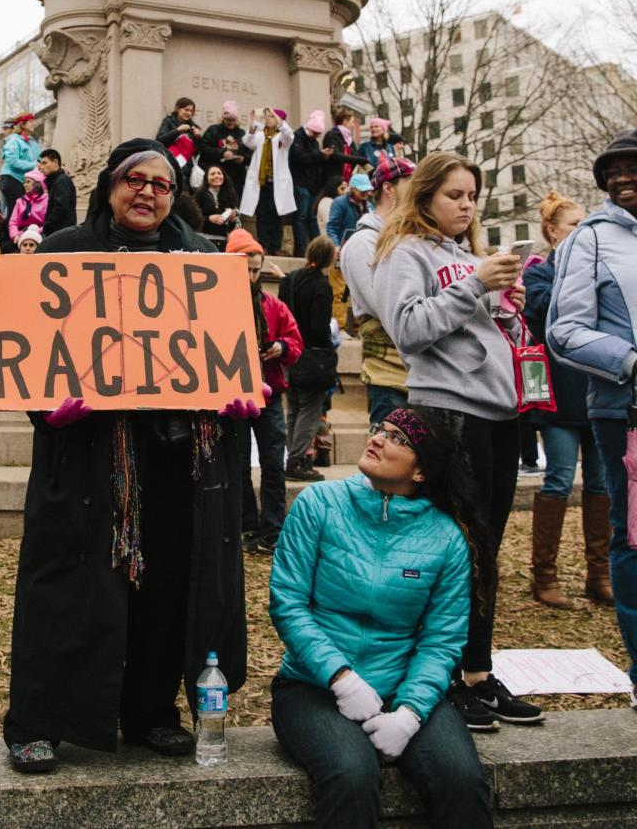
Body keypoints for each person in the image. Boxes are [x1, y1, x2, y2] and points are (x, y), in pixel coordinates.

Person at [3, 138, 247, 774]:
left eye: (161, 184)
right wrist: (44, 409)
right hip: (86, 455)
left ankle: (151, 712)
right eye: (134, 180)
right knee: (66, 583)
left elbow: (235, 348)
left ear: (174, 195)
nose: (147, 192)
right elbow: (28, 352)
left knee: (166, 586)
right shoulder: (60, 253)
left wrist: (240, 394)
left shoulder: (203, 259)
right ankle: (38, 720)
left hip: (174, 455)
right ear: (110, 186)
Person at [372, 151, 542, 731]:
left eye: (473, 195)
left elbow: (485, 334)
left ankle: (477, 673)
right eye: (455, 195)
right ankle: (442, 676)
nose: (467, 205)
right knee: (458, 551)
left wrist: (509, 311)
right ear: (424, 198)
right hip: (447, 411)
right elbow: (410, 331)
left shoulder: (472, 258)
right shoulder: (405, 254)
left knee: (486, 551)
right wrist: (472, 285)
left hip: (499, 412)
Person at [270, 407, 494, 829]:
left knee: (460, 779)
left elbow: (442, 640)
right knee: (351, 774)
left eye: (398, 439)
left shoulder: (446, 537)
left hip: (405, 686)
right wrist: (341, 678)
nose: (377, 439)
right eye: (381, 429)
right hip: (311, 687)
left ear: (422, 472)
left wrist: (410, 712)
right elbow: (288, 603)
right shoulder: (319, 504)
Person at [548, 131, 637, 702]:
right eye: (614, 171)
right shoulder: (592, 239)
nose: (622, 178)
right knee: (632, 539)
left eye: (634, 168)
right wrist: (630, 361)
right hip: (624, 411)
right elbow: (563, 329)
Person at [523, 191, 612, 609]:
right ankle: (545, 578)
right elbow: (544, 315)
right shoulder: (540, 273)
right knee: (559, 478)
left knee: (601, 482)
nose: (583, 232)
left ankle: (600, 575)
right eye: (574, 225)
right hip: (559, 394)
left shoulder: (599, 270)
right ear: (552, 231)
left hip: (599, 391)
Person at [226, 228, 303, 554]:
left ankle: (273, 530)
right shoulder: (218, 303)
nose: (253, 276)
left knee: (273, 464)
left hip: (269, 394)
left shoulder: (273, 304)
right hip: (235, 396)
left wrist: (281, 348)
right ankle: (246, 526)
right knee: (239, 464)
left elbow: (296, 341)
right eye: (247, 269)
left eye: (257, 270)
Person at [339, 158, 416, 426]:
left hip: (419, 372)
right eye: (410, 182)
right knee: (389, 459)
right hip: (388, 374)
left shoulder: (410, 237)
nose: (419, 189)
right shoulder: (363, 243)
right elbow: (380, 305)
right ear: (388, 188)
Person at [278, 236, 336, 481]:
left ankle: (293, 456)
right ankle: (297, 460)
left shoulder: (290, 279)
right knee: (310, 411)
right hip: (311, 355)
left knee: (293, 409)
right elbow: (319, 327)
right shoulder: (321, 286)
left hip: (289, 352)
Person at [240, 107, 295, 255]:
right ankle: (263, 244)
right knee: (262, 214)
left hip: (276, 183)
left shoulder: (282, 136)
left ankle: (275, 246)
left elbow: (289, 135)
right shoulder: (260, 135)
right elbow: (247, 141)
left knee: (275, 215)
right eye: (268, 117)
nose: (268, 119)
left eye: (271, 117)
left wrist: (277, 118)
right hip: (261, 182)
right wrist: (252, 124)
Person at [289, 110, 329, 257]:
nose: (317, 136)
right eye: (316, 132)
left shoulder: (313, 141)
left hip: (312, 184)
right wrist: (320, 155)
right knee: (301, 216)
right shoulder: (297, 137)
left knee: (312, 216)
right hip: (301, 183)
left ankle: (315, 247)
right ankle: (301, 248)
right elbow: (300, 158)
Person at [199, 101, 248, 198]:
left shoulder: (242, 133)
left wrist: (243, 159)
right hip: (216, 176)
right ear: (222, 118)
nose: (231, 122)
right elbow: (203, 148)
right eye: (228, 120)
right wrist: (222, 153)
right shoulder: (213, 130)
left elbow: (249, 154)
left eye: (233, 120)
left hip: (237, 179)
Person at [0, 114, 42, 217]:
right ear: (22, 124)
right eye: (31, 121)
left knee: (22, 213)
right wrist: (33, 165)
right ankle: (9, 233)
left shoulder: (33, 143)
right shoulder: (14, 140)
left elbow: (40, 160)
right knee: (15, 213)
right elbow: (12, 161)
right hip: (12, 180)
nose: (34, 123)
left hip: (24, 182)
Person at [193, 164, 240, 249]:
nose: (216, 176)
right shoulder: (200, 195)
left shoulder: (229, 195)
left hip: (223, 241)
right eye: (212, 174)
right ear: (206, 178)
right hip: (204, 239)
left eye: (219, 173)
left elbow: (231, 227)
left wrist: (232, 220)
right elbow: (193, 219)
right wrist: (209, 219)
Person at [326, 172, 374, 248]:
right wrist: (336, 246)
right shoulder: (340, 203)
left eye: (367, 189)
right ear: (352, 189)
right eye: (362, 189)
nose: (366, 192)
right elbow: (331, 228)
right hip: (344, 248)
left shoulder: (369, 206)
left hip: (364, 247)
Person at [156, 97, 202, 175]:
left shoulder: (194, 127)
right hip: (169, 164)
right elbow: (159, 140)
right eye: (186, 110)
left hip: (187, 169)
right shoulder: (169, 121)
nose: (189, 113)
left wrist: (198, 138)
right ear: (178, 109)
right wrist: (177, 130)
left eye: (191, 111)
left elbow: (197, 152)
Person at [38, 149, 77, 237]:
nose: (41, 167)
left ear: (55, 162)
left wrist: (46, 226)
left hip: (61, 234)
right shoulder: (56, 181)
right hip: (59, 232)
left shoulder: (61, 180)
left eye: (44, 163)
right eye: (41, 164)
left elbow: (60, 208)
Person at [322, 107, 366, 183]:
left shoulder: (349, 139)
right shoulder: (331, 135)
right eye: (352, 122)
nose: (352, 125)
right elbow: (335, 155)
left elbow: (355, 155)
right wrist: (360, 160)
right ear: (345, 121)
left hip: (348, 181)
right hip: (334, 181)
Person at [8, 170, 47, 242]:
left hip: (40, 234)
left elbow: (48, 222)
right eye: (24, 182)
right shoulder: (20, 201)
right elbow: (13, 223)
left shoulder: (47, 200)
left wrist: (34, 233)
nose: (24, 185)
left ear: (37, 184)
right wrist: (15, 236)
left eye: (28, 182)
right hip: (22, 235)